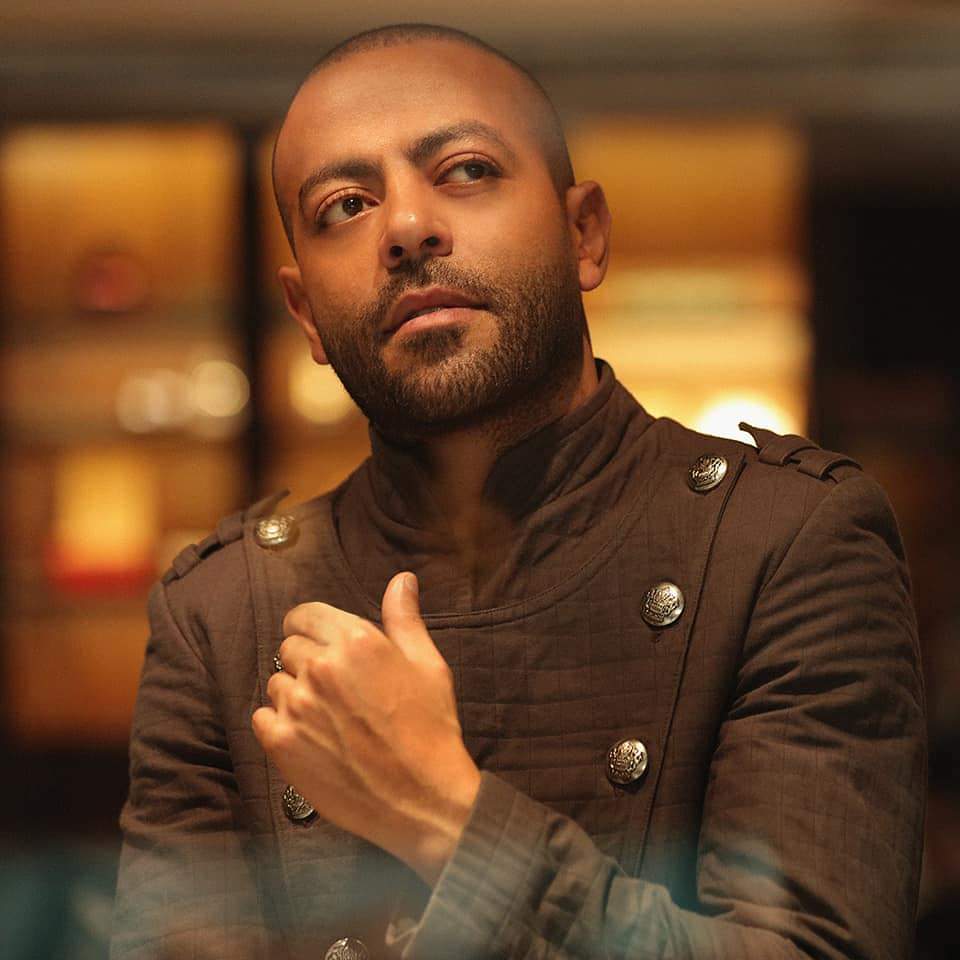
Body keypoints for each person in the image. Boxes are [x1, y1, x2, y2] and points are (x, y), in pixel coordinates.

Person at [110, 22, 927, 960]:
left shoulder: (782, 543)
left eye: (464, 170)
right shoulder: (222, 613)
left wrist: (445, 818)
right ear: (306, 316)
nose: (405, 227)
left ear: (585, 235)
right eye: (345, 205)